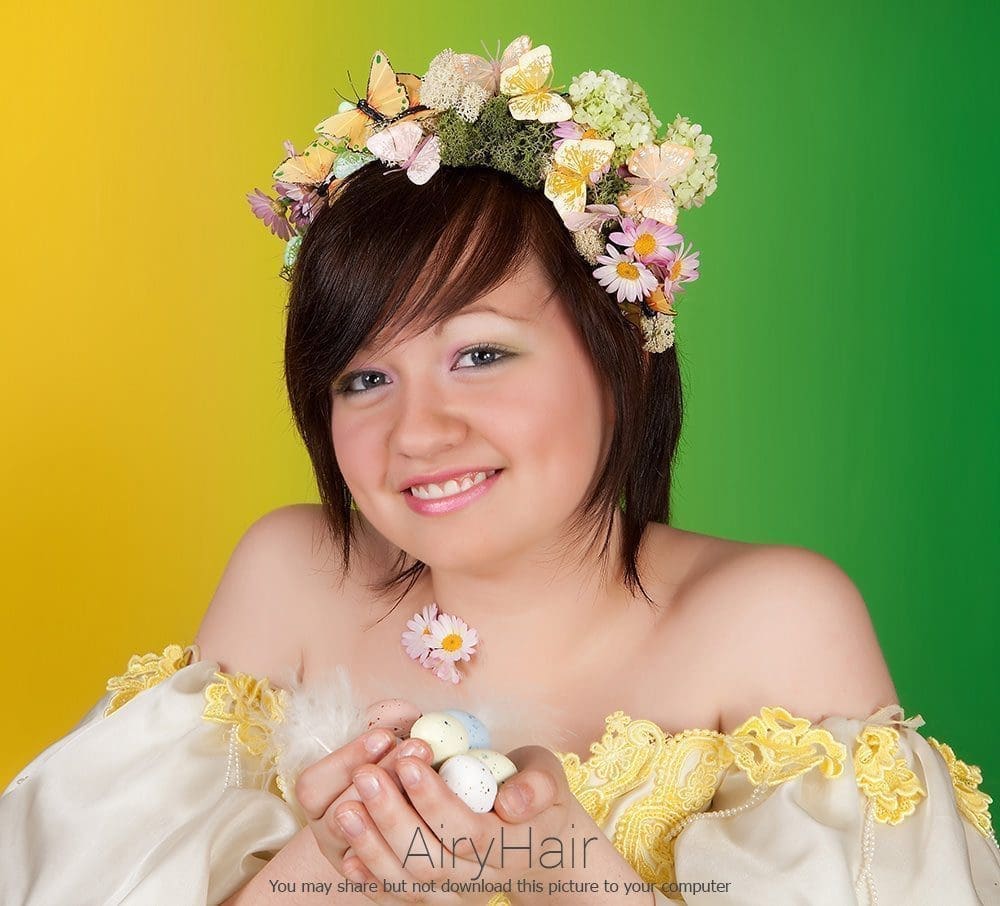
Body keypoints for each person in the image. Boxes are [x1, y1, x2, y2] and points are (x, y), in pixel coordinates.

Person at [2, 36, 998, 906]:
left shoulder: (771, 621)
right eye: (363, 378)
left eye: (479, 354)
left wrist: (559, 860)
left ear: (617, 351)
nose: (417, 432)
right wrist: (344, 864)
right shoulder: (290, 580)